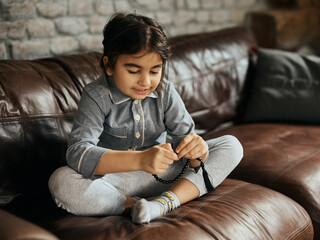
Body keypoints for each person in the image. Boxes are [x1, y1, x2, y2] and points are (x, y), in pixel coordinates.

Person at [48, 12, 243, 224]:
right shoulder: (97, 96)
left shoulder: (165, 92)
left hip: (166, 175)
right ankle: (134, 205)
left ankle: (164, 203)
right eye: (133, 70)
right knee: (61, 181)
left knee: (231, 145)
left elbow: (190, 156)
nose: (145, 81)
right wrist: (141, 160)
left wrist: (198, 152)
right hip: (116, 182)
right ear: (109, 65)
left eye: (155, 71)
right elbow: (78, 153)